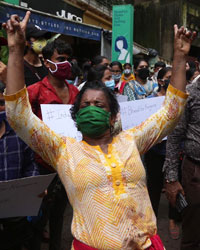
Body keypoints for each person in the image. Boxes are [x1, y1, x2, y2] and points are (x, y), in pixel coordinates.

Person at [4, 12, 195, 250]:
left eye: (99, 105)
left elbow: (172, 111)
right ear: (76, 114)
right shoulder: (63, 150)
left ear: (114, 115)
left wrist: (179, 58)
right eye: (85, 105)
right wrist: (15, 50)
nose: (91, 109)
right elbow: (18, 116)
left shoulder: (132, 141)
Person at [27, 39, 79, 250]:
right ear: (47, 63)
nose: (66, 64)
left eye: (68, 60)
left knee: (60, 217)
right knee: (37, 221)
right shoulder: (34, 92)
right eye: (60, 59)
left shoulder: (76, 93)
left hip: (67, 165)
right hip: (41, 166)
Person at [163, 64, 200, 248]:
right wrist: (171, 178)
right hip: (195, 172)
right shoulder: (189, 94)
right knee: (193, 231)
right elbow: (174, 136)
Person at [0, 86, 40, 250]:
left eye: (1, 103)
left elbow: (30, 164)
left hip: (14, 209)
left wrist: (34, 184)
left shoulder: (18, 134)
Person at [144, 67, 181, 240]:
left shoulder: (178, 101)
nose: (171, 80)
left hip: (174, 151)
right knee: (154, 186)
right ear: (160, 81)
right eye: (168, 77)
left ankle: (174, 219)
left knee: (174, 184)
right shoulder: (150, 101)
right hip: (155, 151)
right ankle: (152, 220)